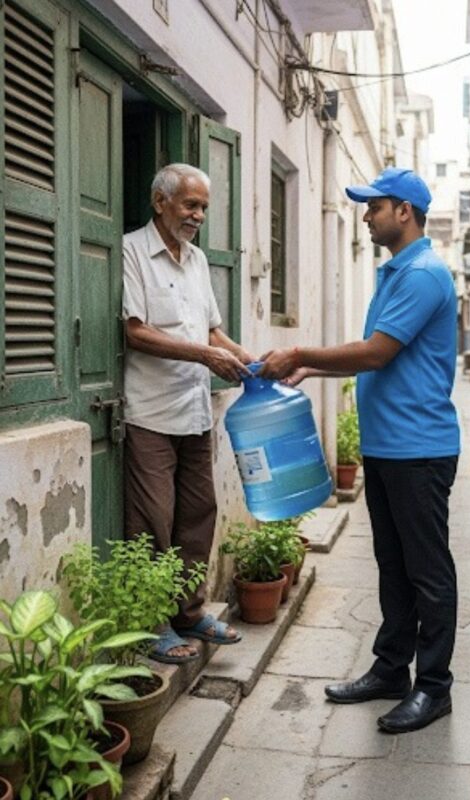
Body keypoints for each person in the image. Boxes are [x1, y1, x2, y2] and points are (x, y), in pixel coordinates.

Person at [259, 167, 460, 733]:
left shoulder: (422, 274)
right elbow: (380, 356)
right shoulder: (395, 273)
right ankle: (392, 669)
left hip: (419, 449)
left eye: (374, 206)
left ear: (404, 211)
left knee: (428, 571)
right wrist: (307, 366)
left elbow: (376, 354)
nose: (366, 215)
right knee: (393, 566)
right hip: (391, 447)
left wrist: (301, 352)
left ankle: (435, 686)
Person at [123, 163, 253, 663]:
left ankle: (190, 611)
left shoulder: (196, 260)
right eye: (190, 205)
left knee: (198, 515)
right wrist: (204, 355)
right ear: (161, 202)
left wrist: (245, 357)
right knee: (153, 522)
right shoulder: (132, 250)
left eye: (203, 207)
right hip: (151, 414)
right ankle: (153, 624)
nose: (198, 215)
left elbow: (212, 332)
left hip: (196, 411)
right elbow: (135, 331)